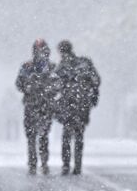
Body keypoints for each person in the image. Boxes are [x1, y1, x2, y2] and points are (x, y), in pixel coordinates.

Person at [55, 40, 100, 175]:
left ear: (61, 51)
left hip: (68, 106)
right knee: (79, 135)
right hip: (82, 106)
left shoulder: (62, 67)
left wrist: (57, 105)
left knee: (67, 136)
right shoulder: (85, 63)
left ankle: (66, 164)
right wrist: (91, 98)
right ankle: (78, 164)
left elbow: (55, 87)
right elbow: (96, 81)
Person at [16, 39, 59, 175]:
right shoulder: (28, 67)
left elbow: (58, 85)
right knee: (34, 135)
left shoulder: (51, 67)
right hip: (35, 105)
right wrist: (30, 87)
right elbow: (19, 83)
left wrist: (46, 89)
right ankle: (36, 162)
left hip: (41, 105)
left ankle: (40, 162)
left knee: (41, 135)